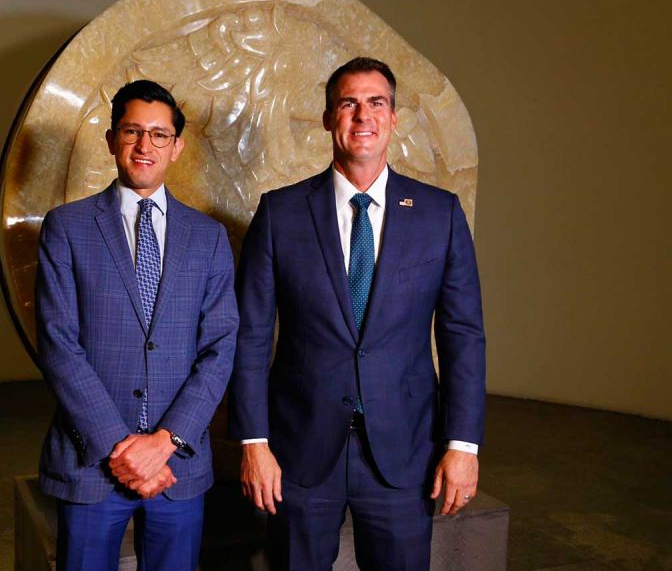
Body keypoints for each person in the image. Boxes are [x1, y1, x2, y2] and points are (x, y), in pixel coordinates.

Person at [228, 57, 486, 571]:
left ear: (393, 118)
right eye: (348, 103)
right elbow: (250, 336)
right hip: (299, 452)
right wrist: (254, 442)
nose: (363, 115)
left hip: (404, 452)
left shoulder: (440, 214)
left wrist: (463, 444)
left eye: (376, 103)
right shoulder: (280, 213)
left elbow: (463, 336)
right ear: (329, 118)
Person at [35, 79, 238, 571]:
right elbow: (59, 345)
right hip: (91, 460)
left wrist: (165, 442)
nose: (145, 145)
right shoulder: (67, 227)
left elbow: (219, 347)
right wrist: (121, 449)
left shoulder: (208, 237)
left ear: (176, 147)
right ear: (112, 140)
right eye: (132, 132)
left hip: (177, 464)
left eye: (159, 134)